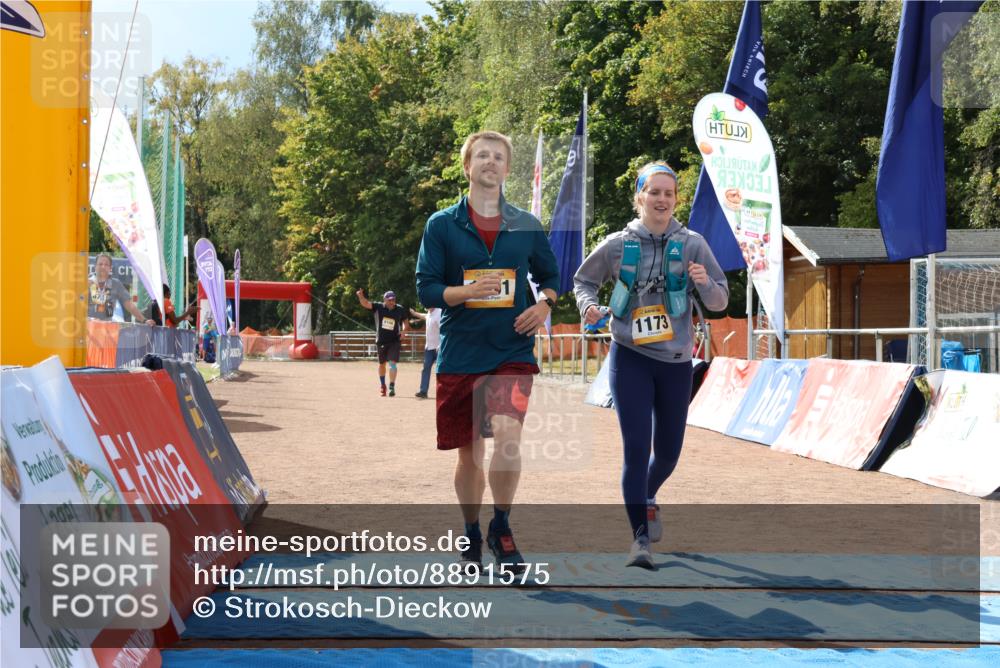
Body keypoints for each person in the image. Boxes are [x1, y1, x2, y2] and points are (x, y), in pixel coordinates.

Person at [416, 130, 559, 573]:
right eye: (482, 155)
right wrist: (467, 290)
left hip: (512, 348)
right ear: (467, 166)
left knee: (509, 437)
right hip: (461, 352)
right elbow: (427, 289)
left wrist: (544, 304)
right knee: (469, 454)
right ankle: (471, 532)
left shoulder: (527, 226)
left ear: (508, 169)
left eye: (498, 156)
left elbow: (553, 276)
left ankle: (501, 526)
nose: (491, 162)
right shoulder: (442, 225)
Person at [573, 161, 728, 568]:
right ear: (639, 196)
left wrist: (705, 282)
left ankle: (648, 494)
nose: (661, 199)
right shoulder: (617, 244)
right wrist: (589, 307)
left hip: (676, 360)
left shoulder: (693, 244)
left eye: (669, 193)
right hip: (630, 356)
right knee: (636, 448)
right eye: (654, 192)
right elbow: (583, 280)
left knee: (670, 452)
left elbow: (720, 302)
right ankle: (639, 539)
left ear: (675, 199)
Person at [356, 289, 409, 397]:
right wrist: (361, 296)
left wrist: (404, 331)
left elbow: (406, 322)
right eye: (389, 300)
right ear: (384, 300)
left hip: (395, 341)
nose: (392, 301)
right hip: (381, 341)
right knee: (382, 364)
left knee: (392, 363)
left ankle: (392, 386)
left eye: (393, 299)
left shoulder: (400, 309)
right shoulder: (379, 307)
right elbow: (366, 304)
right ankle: (382, 385)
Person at [88, 253, 154, 325]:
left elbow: (129, 305)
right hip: (87, 327)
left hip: (106, 328)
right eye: (100, 264)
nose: (103, 266)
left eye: (106, 264)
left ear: (110, 268)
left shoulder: (116, 284)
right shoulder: (86, 283)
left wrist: (144, 320)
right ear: (95, 266)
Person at [409, 307, 441, 399]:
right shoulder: (430, 313)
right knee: (425, 368)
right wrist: (415, 313)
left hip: (439, 348)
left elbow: (443, 329)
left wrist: (441, 344)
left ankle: (443, 391)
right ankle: (423, 391)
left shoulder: (439, 313)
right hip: (429, 347)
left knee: (441, 371)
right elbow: (425, 316)